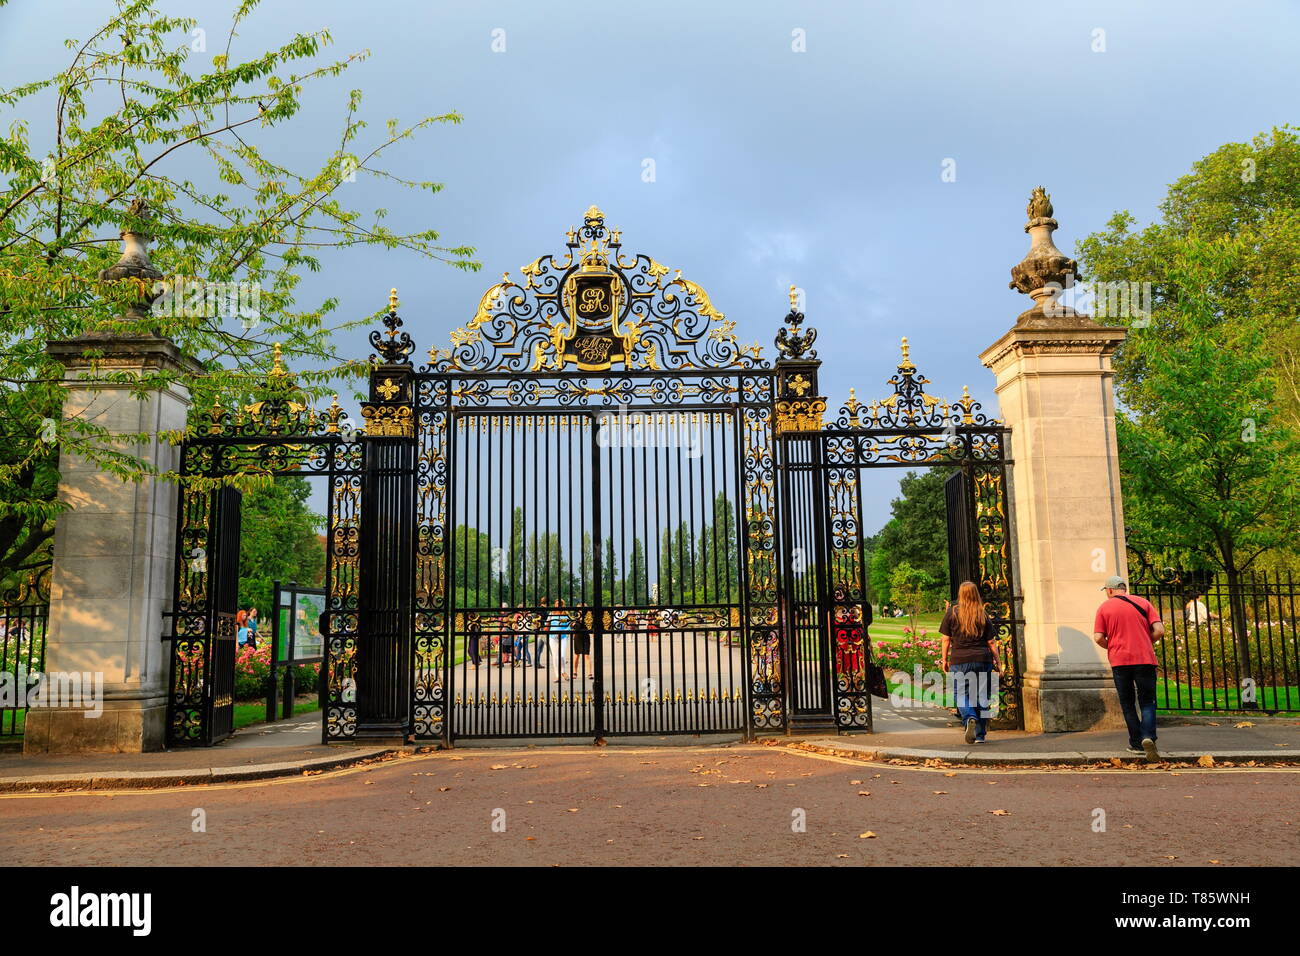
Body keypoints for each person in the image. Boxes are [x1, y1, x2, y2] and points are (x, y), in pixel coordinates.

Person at [1094, 575, 1164, 761]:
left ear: (1109, 590)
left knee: (1128, 703)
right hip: (1145, 659)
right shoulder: (1143, 603)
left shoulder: (1105, 607)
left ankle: (1136, 742)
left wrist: (1114, 647)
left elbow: (1098, 637)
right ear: (1124, 588)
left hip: (1120, 661)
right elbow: (1159, 630)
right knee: (1148, 701)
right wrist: (1145, 642)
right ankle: (1148, 737)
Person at [938, 581, 999, 744]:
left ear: (961, 594)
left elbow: (945, 639)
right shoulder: (982, 614)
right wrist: (998, 662)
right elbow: (991, 642)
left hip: (960, 660)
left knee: (960, 694)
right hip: (982, 659)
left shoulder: (952, 613)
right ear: (975, 594)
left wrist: (944, 659)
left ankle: (969, 716)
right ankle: (980, 735)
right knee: (982, 696)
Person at [546, 599, 571, 683]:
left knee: (562, 656)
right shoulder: (551, 614)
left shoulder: (564, 614)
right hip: (552, 637)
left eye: (559, 604)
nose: (557, 605)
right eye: (556, 604)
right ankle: (557, 676)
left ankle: (563, 671)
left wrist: (563, 632)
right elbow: (547, 624)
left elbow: (568, 626)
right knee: (555, 657)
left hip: (563, 637)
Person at [572, 604, 592, 680]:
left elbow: (590, 626)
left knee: (586, 655)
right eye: (579, 609)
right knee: (577, 655)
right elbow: (573, 626)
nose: (581, 610)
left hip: (586, 636)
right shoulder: (576, 616)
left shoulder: (588, 616)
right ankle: (575, 672)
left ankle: (590, 673)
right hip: (577, 636)